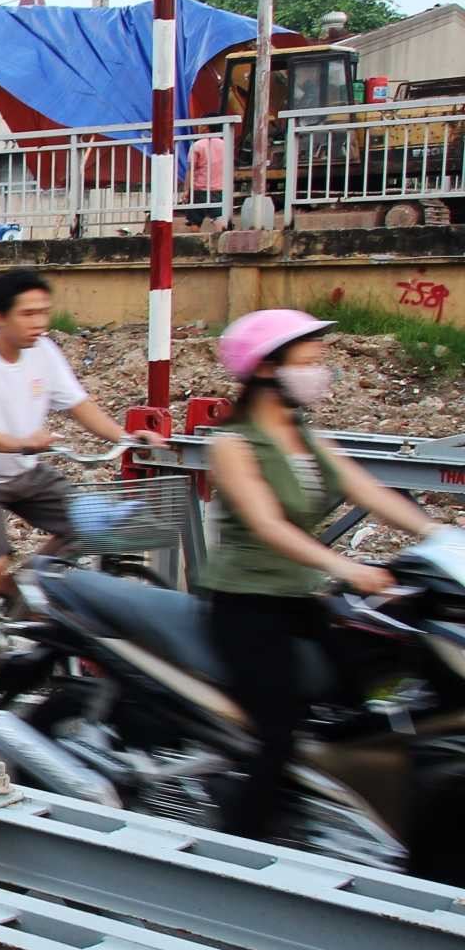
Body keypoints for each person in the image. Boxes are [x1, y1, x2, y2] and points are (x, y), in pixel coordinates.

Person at [197, 310, 431, 841]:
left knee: (371, 695)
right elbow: (268, 524)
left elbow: (365, 487)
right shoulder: (234, 443)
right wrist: (346, 567)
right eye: (308, 362)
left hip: (300, 600)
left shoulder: (303, 434)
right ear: (264, 370)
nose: (320, 373)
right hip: (245, 605)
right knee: (279, 730)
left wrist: (437, 534)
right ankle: (233, 851)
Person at [0, 269, 164, 687]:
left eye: (44, 312)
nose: (39, 323)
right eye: (28, 314)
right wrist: (23, 443)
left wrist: (128, 437)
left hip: (26, 473)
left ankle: (29, 581)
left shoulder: (45, 352)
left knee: (92, 524)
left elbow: (80, 405)